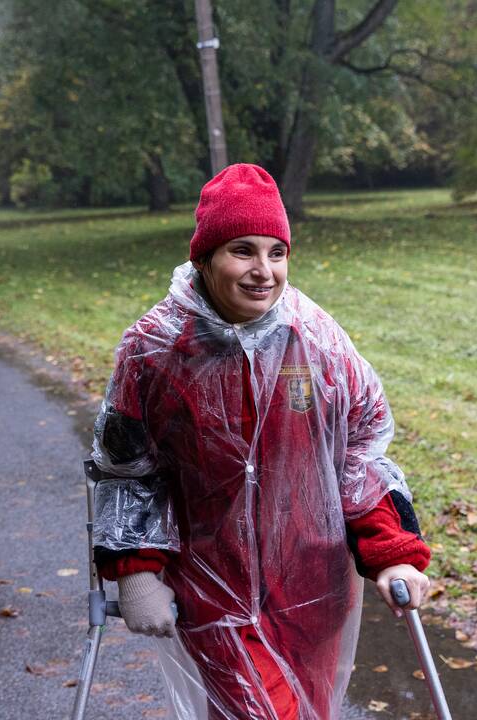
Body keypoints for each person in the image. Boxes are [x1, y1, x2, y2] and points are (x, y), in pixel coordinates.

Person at [91, 164, 432, 719]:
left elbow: (359, 452)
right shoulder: (153, 349)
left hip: (314, 584)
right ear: (203, 259)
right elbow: (127, 468)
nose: (263, 271)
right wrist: (135, 569)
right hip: (214, 586)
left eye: (277, 252)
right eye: (242, 251)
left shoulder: (316, 340)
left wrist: (390, 552)